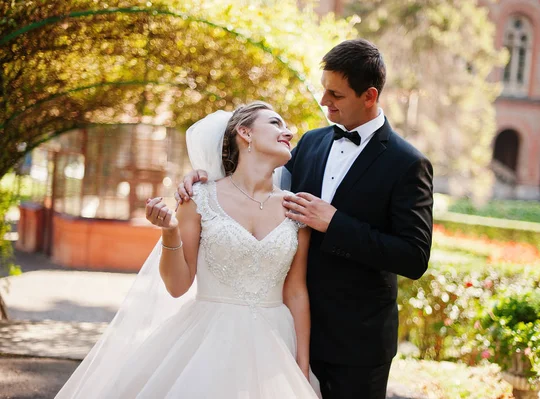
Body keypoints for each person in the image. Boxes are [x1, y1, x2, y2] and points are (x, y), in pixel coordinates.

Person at [176, 39, 434, 399]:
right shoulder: (311, 143)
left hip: (357, 342)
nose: (324, 101)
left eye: (335, 95)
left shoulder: (408, 164)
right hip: (284, 328)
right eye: (324, 90)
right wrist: (200, 175)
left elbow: (414, 256)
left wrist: (335, 222)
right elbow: (254, 181)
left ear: (370, 96)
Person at [55, 102, 322, 398]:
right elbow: (178, 286)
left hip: (276, 344)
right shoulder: (199, 197)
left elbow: (296, 292)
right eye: (276, 123)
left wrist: (301, 363)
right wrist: (170, 232)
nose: (289, 131)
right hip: (207, 342)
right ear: (244, 132)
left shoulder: (296, 209)